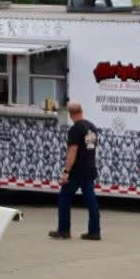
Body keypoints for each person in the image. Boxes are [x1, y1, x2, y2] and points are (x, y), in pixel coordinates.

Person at [49, 101, 101, 240]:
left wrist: (66, 172)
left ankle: (64, 230)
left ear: (71, 114)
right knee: (91, 200)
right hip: (89, 168)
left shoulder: (75, 129)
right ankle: (94, 232)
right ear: (81, 111)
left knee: (64, 197)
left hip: (77, 170)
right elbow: (90, 148)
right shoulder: (92, 127)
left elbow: (73, 150)